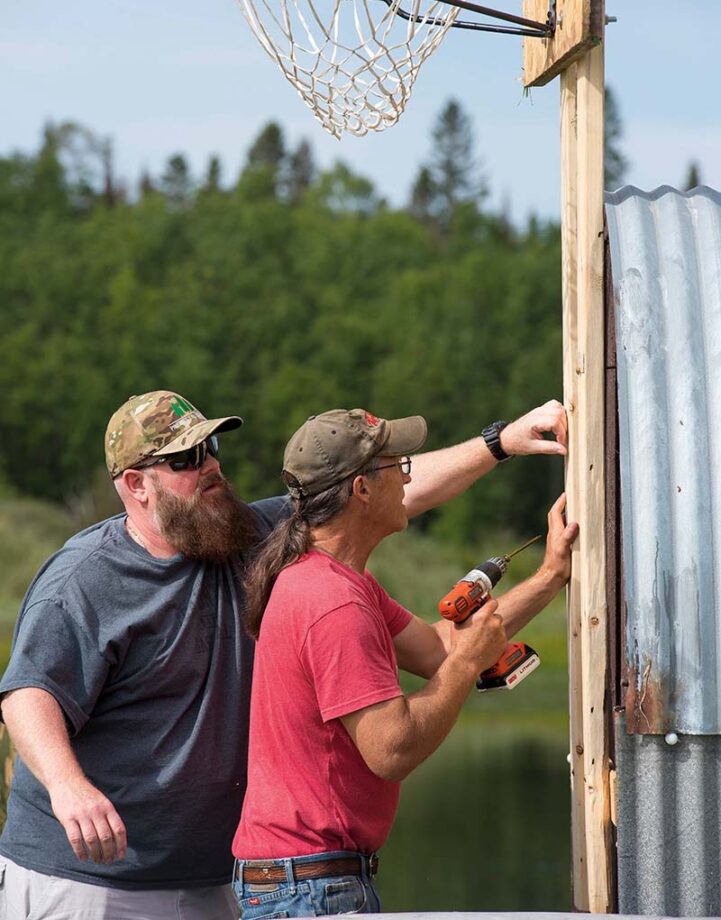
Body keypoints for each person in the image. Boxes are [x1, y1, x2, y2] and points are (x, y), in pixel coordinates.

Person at [0, 390, 568, 920]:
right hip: (86, 879)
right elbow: (28, 694)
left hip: (213, 877)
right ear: (136, 484)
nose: (210, 466)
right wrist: (68, 788)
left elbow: (380, 493)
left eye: (211, 447)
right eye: (185, 460)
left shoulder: (250, 535)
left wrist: (501, 445)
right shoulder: (83, 579)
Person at [232, 407, 578, 918]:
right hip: (311, 890)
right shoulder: (334, 603)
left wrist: (550, 576)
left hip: (303, 882)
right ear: (362, 490)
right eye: (399, 465)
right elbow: (391, 750)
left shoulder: (332, 580)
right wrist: (467, 666)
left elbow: (438, 647)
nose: (407, 476)